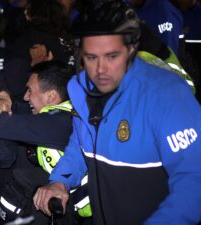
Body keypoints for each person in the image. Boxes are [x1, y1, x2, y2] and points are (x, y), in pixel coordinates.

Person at [33, 1, 201, 225]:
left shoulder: (167, 96)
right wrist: (61, 180)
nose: (100, 69)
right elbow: (81, 141)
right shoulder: (81, 88)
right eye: (91, 56)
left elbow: (194, 182)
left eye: (112, 55)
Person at [0, 61, 76, 224]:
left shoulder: (66, 123)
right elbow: (15, 106)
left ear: (51, 97)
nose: (26, 96)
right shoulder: (53, 114)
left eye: (30, 91)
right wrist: (1, 98)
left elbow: (3, 125)